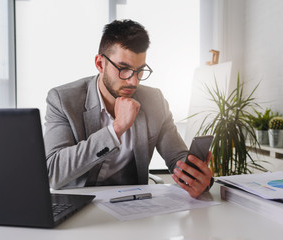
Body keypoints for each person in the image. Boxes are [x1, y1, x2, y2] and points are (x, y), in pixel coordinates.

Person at [44, 19, 213, 198]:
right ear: (100, 64)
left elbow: (176, 156)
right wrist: (116, 129)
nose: (134, 81)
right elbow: (53, 172)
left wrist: (197, 177)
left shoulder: (154, 100)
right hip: (80, 205)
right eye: (124, 69)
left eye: (140, 70)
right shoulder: (63, 100)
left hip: (133, 205)